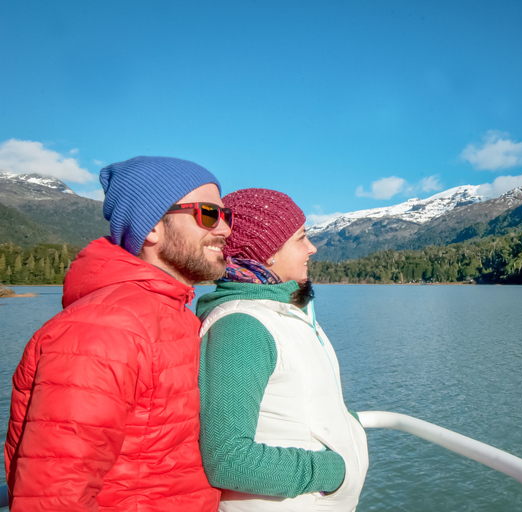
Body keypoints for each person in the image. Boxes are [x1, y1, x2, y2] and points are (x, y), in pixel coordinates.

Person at [4, 156, 232, 512]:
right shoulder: (103, 330)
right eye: (208, 214)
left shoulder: (175, 316)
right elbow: (55, 500)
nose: (225, 229)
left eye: (226, 215)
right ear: (153, 226)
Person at [196, 188, 368, 512]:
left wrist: (349, 426)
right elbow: (227, 459)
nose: (312, 248)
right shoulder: (242, 326)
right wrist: (332, 471)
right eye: (301, 238)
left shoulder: (283, 312)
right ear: (268, 253)